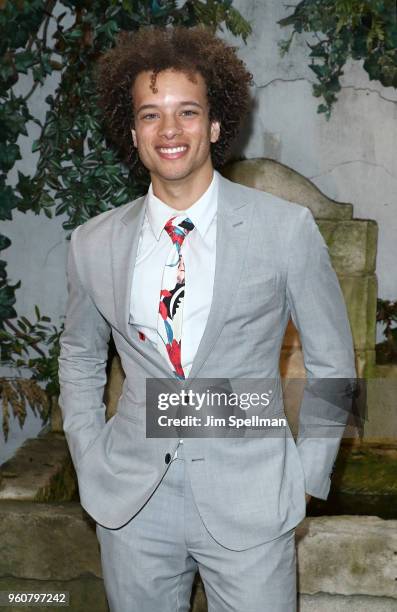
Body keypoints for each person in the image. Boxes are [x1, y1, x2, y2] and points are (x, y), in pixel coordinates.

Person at [58, 26, 356, 612]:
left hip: (253, 498)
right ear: (134, 132)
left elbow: (335, 363)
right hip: (132, 503)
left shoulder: (285, 229)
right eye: (151, 114)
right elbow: (80, 355)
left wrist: (305, 477)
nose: (170, 130)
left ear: (215, 125)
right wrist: (89, 457)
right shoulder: (92, 244)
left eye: (187, 112)